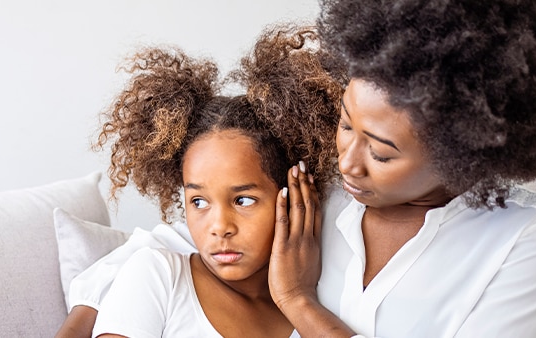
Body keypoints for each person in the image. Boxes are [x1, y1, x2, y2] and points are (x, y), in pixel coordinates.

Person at [60, 0, 536, 336]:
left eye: (381, 152)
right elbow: (177, 238)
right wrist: (87, 317)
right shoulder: (317, 187)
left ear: (465, 150)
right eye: (344, 123)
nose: (348, 161)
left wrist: (298, 302)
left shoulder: (528, 235)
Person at [56, 25, 344, 337]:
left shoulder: (316, 304)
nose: (219, 227)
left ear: (291, 196)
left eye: (243, 200)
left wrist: (296, 299)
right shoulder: (158, 275)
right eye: (199, 201)